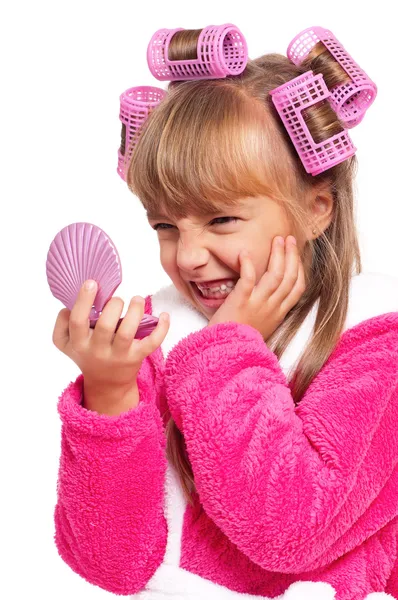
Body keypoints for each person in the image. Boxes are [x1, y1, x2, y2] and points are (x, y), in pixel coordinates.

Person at [51, 24, 398, 600]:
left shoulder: (376, 346)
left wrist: (230, 351)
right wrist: (109, 395)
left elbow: (291, 534)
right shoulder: (158, 338)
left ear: (316, 209)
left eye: (221, 221)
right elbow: (112, 565)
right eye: (164, 225)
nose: (186, 256)